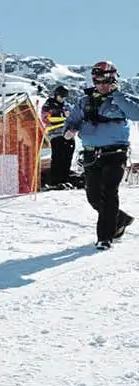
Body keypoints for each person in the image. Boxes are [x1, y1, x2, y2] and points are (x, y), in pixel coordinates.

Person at [63, 61, 139, 250]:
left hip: (115, 153)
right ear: (94, 81)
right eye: (99, 81)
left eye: (107, 81)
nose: (103, 85)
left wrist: (117, 96)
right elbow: (72, 119)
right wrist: (70, 129)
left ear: (114, 79)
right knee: (94, 197)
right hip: (91, 155)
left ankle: (105, 237)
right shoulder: (84, 101)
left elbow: (136, 114)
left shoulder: (123, 99)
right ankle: (119, 219)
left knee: (109, 192)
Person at [41, 85, 74, 188]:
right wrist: (63, 116)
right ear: (56, 95)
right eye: (61, 96)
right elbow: (46, 118)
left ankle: (65, 179)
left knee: (67, 157)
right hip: (55, 134)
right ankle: (55, 181)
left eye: (64, 96)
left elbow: (73, 117)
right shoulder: (49, 105)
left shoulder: (66, 106)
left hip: (67, 135)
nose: (63, 98)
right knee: (58, 157)